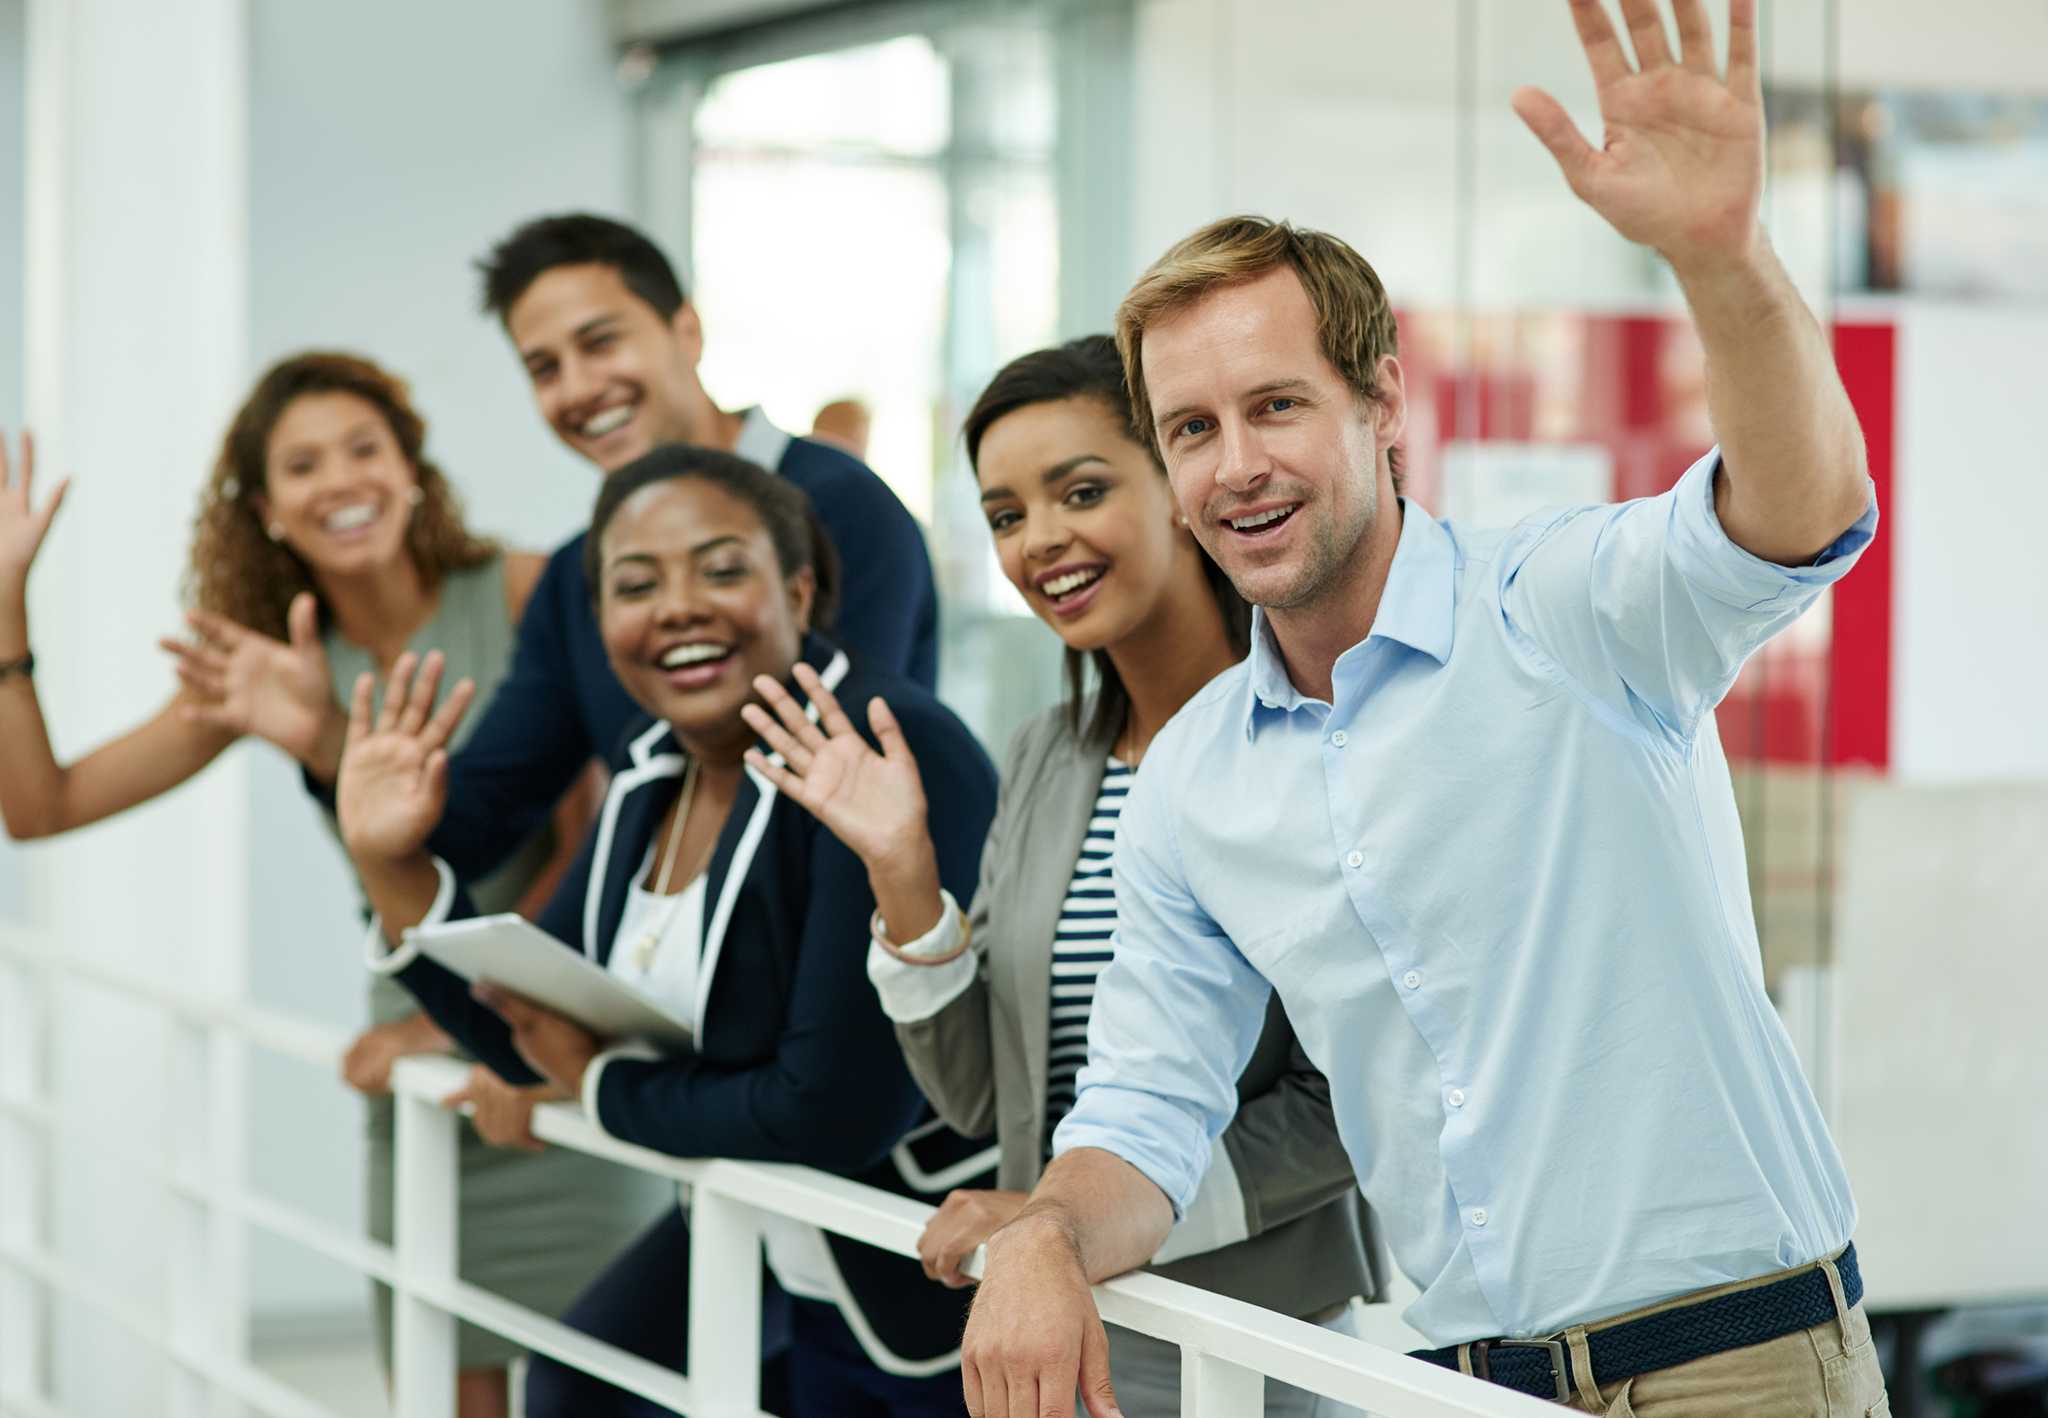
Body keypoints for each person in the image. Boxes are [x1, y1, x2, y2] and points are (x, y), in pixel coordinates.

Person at [958, 3, 1889, 1415]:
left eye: (1277, 405)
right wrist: (1044, 1232)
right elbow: (1144, 1117)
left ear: (1382, 397)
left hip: (1737, 1365)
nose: (1237, 467)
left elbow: (1800, 515)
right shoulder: (1197, 776)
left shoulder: (1561, 606)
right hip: (1453, 1386)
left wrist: (1721, 256)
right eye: (1193, 429)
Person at [0, 354, 669, 1418]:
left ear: (411, 469)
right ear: (265, 510)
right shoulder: (268, 667)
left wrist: (482, 1024)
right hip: (415, 1066)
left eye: (364, 447)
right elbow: (40, 805)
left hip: (549, 1051)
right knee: (444, 1386)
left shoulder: (527, 590)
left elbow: (594, 836)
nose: (340, 479)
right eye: (302, 464)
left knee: (620, 1380)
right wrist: (6, 607)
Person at [743, 335, 1374, 1417]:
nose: (1040, 540)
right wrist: (900, 871)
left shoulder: (1309, 739)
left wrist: (1065, 1220)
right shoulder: (1046, 754)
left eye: (1079, 490)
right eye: (1002, 514)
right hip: (1062, 1332)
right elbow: (989, 1092)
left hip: (1253, 1342)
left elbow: (1349, 1099)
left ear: (1180, 490)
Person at [337, 445, 1001, 1417]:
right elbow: (534, 1023)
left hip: (923, 1266)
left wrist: (603, 1083)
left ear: (802, 586)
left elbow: (832, 1109)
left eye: (722, 567)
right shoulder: (653, 765)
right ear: (598, 621)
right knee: (573, 1386)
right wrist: (388, 865)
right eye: (634, 583)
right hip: (759, 1230)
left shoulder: (881, 742)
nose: (677, 604)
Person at [294, 215, 942, 898]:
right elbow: (477, 822)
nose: (576, 389)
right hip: (656, 968)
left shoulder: (844, 509)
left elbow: (838, 780)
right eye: (544, 368)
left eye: (599, 343)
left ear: (686, 332)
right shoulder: (580, 574)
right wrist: (328, 742)